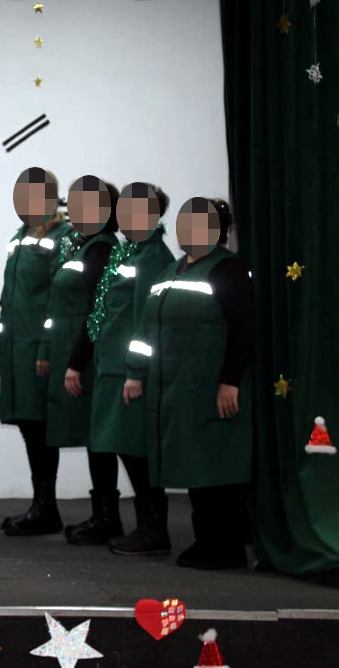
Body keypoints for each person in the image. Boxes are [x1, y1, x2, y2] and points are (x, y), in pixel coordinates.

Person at [125, 198, 254, 570]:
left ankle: (226, 547)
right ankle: (205, 540)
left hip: (210, 386)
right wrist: (136, 372)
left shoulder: (228, 270)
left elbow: (244, 329)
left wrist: (230, 382)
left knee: (215, 465)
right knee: (194, 463)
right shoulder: (171, 270)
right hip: (175, 388)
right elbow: (146, 328)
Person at [87, 183, 175, 556]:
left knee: (137, 450)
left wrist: (136, 372)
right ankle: (146, 528)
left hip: (129, 372)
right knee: (123, 446)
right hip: (111, 367)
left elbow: (147, 320)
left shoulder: (152, 257)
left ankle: (153, 531)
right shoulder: (129, 252)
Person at [0, 167, 71, 536]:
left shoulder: (62, 237)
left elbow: (59, 298)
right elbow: (9, 299)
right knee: (29, 425)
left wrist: (46, 347)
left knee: (39, 426)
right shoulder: (18, 237)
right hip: (16, 349)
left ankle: (45, 507)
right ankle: (42, 505)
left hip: (38, 350)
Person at [41, 176, 121, 544]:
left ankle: (107, 518)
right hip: (77, 353)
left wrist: (75, 363)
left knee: (97, 437)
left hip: (89, 358)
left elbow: (96, 311)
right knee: (92, 437)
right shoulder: (82, 246)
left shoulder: (101, 249)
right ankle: (102, 515)